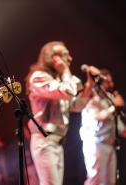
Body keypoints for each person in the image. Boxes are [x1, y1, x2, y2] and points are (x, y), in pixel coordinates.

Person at [25, 41, 94, 185]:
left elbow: (76, 106)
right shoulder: (38, 77)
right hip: (45, 141)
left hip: (57, 142)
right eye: (65, 55)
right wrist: (65, 71)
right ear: (53, 58)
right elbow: (68, 91)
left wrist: (89, 86)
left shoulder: (57, 81)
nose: (70, 59)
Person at [80, 68, 126, 185]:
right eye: (108, 82)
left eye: (111, 81)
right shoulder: (92, 96)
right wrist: (114, 107)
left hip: (110, 144)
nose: (112, 84)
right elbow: (97, 116)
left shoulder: (109, 98)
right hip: (95, 144)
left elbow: (115, 122)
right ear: (99, 81)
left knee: (110, 181)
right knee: (95, 179)